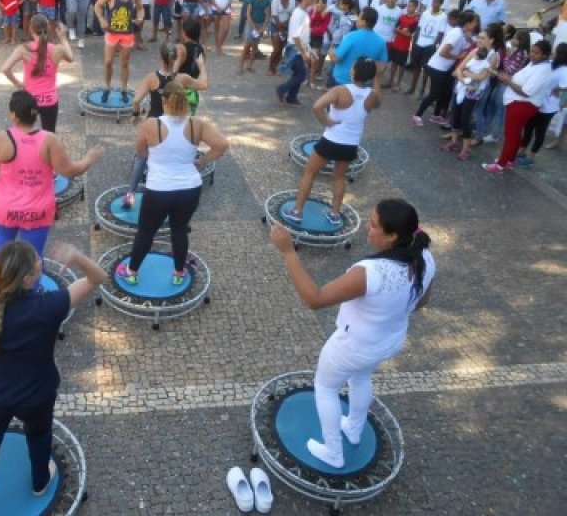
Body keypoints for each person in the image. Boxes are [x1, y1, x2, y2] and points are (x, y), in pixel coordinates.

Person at [0, 240, 107, 516]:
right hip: (37, 393)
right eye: (36, 260)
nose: (41, 260)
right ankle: (40, 482)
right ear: (29, 278)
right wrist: (78, 257)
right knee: (39, 436)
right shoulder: (51, 304)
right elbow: (98, 277)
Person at [270, 198, 435, 470]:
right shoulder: (426, 256)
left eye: (373, 226)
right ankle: (354, 428)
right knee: (361, 376)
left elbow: (315, 298)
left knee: (326, 388)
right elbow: (423, 301)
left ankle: (333, 452)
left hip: (354, 344)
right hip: (388, 341)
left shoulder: (371, 272)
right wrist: (391, 310)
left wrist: (288, 252)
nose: (367, 230)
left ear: (393, 235)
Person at [115, 81, 230, 286]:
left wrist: (156, 157)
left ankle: (131, 271)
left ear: (163, 101)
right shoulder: (197, 124)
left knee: (146, 232)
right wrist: (201, 162)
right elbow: (222, 145)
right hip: (190, 188)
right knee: (179, 230)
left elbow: (141, 153)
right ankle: (179, 273)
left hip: (159, 190)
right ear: (185, 102)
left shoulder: (152, 125)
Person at [0, 90, 104, 255]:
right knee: (33, 258)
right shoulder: (49, 140)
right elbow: (70, 171)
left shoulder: (2, 139)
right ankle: (32, 281)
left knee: (2, 250)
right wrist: (89, 158)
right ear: (36, 114)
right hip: (37, 212)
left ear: (14, 116)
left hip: (5, 209)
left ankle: (0, 278)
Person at [283, 58, 381, 226]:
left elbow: (317, 106)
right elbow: (375, 101)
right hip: (351, 144)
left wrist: (326, 121)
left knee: (310, 173)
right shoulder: (373, 96)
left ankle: (297, 211)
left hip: (332, 140)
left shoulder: (339, 90)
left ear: (353, 72)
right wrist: (376, 78)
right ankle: (335, 214)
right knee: (339, 178)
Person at [123, 46, 210, 209]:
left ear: (160, 58)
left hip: (154, 125)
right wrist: (202, 66)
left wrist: (135, 116)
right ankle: (175, 187)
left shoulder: (151, 78)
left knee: (141, 157)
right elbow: (204, 84)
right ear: (176, 58)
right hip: (177, 123)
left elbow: (135, 100)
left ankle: (130, 194)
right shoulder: (182, 78)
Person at [483, 39, 554, 173]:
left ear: (545, 55)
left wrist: (507, 81)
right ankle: (510, 160)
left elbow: (526, 91)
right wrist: (508, 78)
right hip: (518, 103)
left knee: (510, 135)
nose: (532, 54)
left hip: (522, 104)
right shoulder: (534, 64)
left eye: (536, 53)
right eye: (531, 51)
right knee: (515, 134)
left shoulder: (543, 70)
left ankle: (500, 165)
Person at [1, 16, 73, 132]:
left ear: (31, 29)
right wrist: (63, 38)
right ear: (48, 28)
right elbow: (71, 58)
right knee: (49, 134)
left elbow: (5, 68)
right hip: (50, 101)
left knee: (25, 132)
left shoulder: (23, 49)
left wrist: (18, 84)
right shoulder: (57, 49)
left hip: (30, 101)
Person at [411, 11, 478, 127]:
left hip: (444, 68)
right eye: (473, 22)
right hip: (437, 67)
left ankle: (436, 115)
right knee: (434, 94)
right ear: (467, 23)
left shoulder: (462, 33)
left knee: (444, 92)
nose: (475, 25)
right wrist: (458, 56)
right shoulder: (456, 34)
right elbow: (443, 52)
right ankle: (417, 114)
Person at [94, 0, 145, 103]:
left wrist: (140, 19)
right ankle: (107, 87)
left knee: (124, 63)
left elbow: (140, 9)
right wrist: (102, 19)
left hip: (127, 34)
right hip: (112, 33)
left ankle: (123, 89)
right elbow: (98, 5)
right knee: (108, 62)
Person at [440, 33, 495, 161]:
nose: (479, 40)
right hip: (462, 87)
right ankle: (453, 141)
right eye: (479, 37)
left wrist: (466, 74)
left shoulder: (492, 56)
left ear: (491, 40)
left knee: (465, 118)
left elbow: (482, 77)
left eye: (483, 38)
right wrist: (463, 78)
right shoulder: (474, 51)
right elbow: (459, 68)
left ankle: (466, 148)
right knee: (455, 114)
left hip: (473, 92)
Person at [516, 42, 567, 164]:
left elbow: (565, 86)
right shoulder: (550, 64)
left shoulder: (564, 70)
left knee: (540, 131)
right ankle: (521, 150)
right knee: (528, 127)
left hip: (549, 106)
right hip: (537, 101)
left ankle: (531, 157)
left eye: (557, 52)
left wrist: (558, 89)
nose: (555, 54)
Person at [328, 6, 388, 88]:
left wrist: (331, 51)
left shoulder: (351, 36)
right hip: (365, 83)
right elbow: (382, 67)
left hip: (343, 81)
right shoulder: (381, 42)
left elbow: (336, 58)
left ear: (364, 21)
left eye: (359, 17)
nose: (356, 19)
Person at [277, 0, 315, 104]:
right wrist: (303, 52)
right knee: (301, 75)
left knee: (298, 74)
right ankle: (282, 89)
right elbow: (295, 36)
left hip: (299, 47)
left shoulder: (303, 12)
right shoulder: (298, 14)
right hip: (295, 48)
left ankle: (291, 97)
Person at [407, 0, 446, 96]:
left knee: (426, 70)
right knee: (416, 67)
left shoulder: (443, 16)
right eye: (433, 1)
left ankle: (422, 90)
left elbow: (441, 33)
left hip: (429, 45)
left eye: (437, 2)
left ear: (441, 4)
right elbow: (419, 28)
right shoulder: (426, 13)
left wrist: (434, 45)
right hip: (419, 43)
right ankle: (412, 88)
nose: (434, 4)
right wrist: (415, 42)